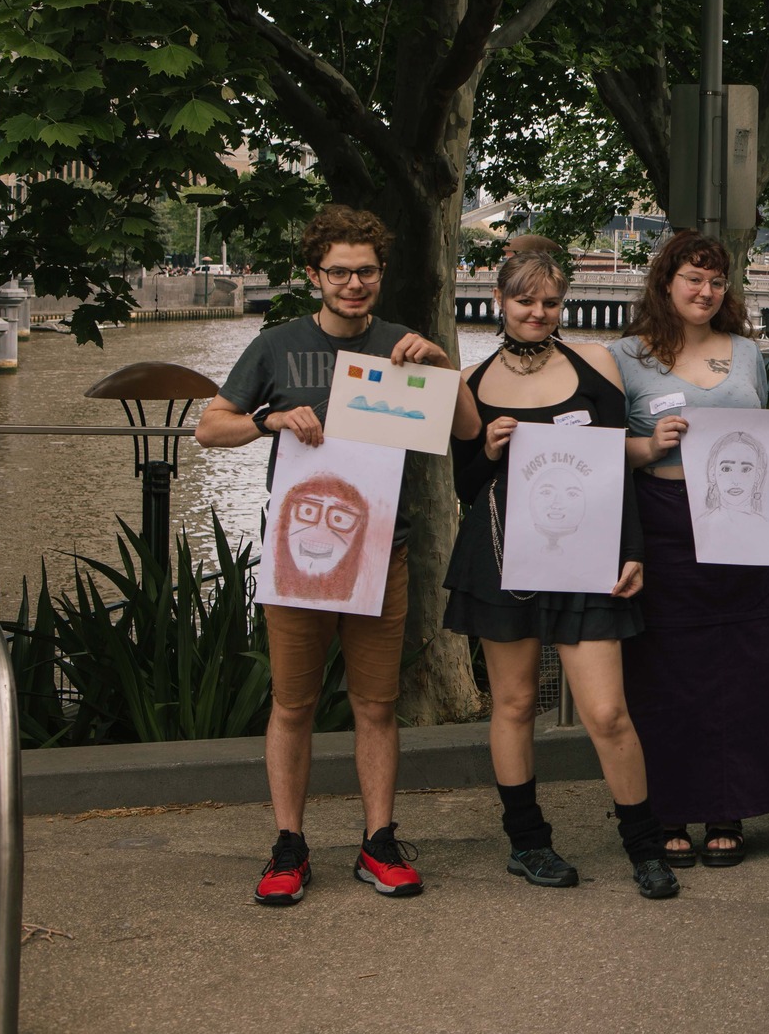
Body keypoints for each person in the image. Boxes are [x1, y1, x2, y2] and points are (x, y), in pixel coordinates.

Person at [196, 205, 465, 906]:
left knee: (377, 705)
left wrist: (442, 365)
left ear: (380, 274)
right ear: (314, 274)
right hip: (299, 558)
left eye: (366, 271)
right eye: (340, 271)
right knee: (293, 705)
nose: (354, 283)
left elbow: (463, 428)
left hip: (384, 553)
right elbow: (208, 428)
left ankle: (379, 842)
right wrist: (269, 418)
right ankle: (289, 843)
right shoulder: (276, 345)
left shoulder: (405, 342)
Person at [440, 250, 678, 899]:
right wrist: (487, 448)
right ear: (498, 298)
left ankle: (645, 846)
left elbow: (615, 463)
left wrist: (632, 548)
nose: (537, 312)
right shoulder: (469, 381)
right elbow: (466, 486)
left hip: (586, 556)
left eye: (549, 301)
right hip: (499, 556)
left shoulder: (594, 364)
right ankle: (527, 842)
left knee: (607, 711)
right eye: (525, 300)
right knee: (515, 703)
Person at [614, 231, 769, 868]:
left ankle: (728, 808)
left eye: (716, 281)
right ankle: (666, 808)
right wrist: (648, 444)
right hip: (663, 519)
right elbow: (603, 447)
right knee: (664, 668)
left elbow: (763, 439)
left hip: (740, 524)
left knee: (742, 666)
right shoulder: (625, 356)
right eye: (693, 278)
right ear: (665, 283)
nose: (705, 291)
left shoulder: (748, 354)